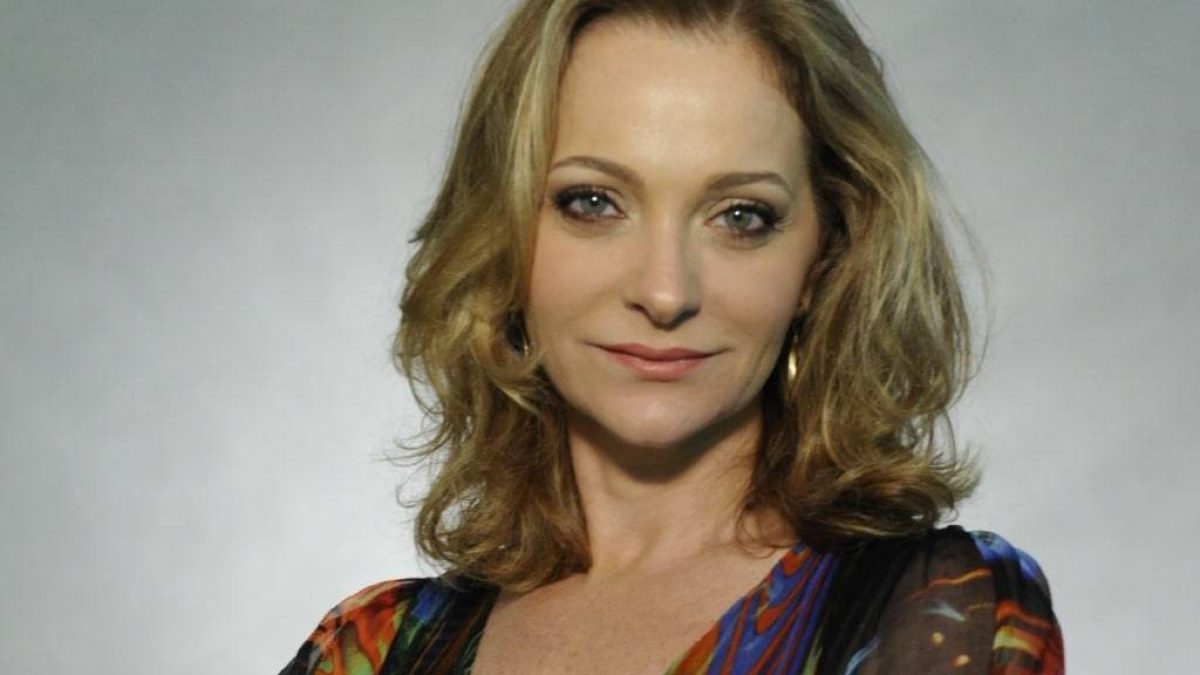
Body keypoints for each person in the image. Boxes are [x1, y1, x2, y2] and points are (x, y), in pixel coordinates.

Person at [279, 0, 1064, 672]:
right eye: (593, 202)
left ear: (825, 256)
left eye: (740, 216)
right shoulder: (375, 648)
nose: (665, 291)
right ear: (503, 233)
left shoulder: (935, 609)